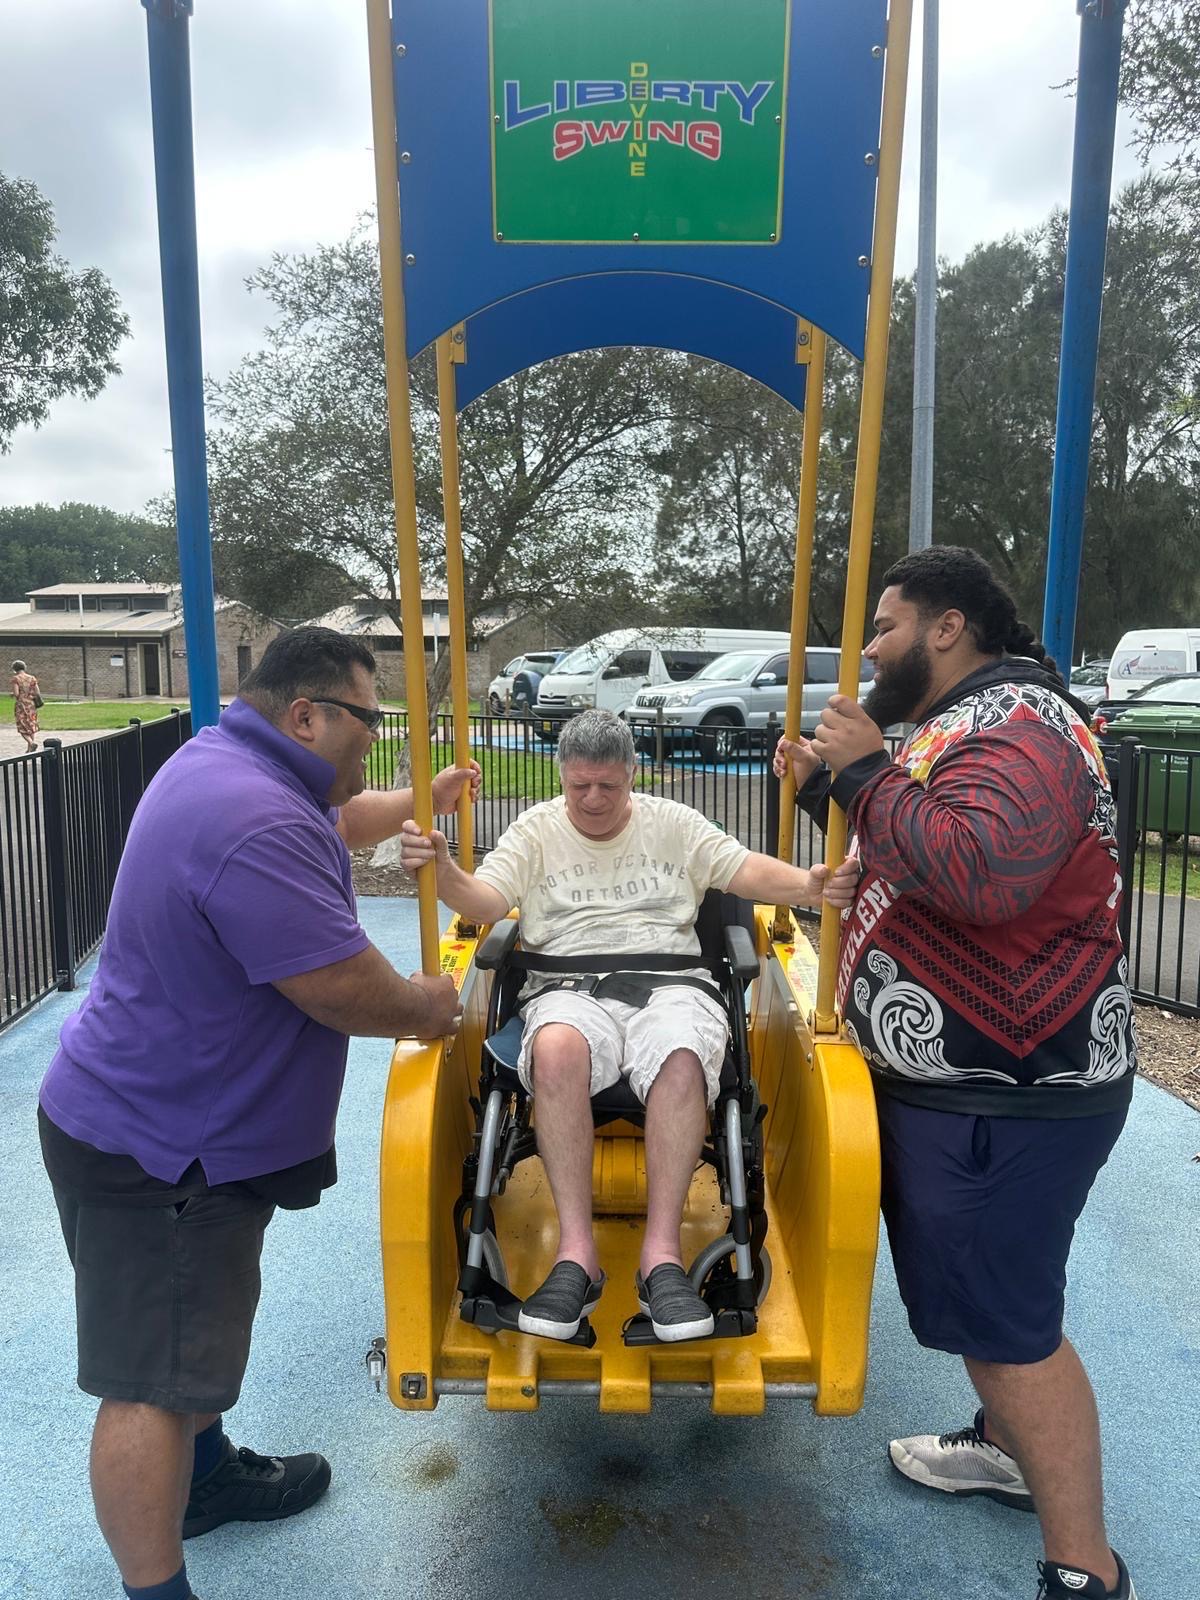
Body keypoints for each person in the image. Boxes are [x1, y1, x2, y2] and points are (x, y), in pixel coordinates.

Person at [38, 628, 478, 1600]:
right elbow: (340, 986)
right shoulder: (255, 817)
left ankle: (207, 1477)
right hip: (162, 1148)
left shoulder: (241, 760)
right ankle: (160, 1589)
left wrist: (423, 801)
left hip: (157, 1118)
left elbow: (342, 818)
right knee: (149, 1379)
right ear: (308, 715)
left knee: (191, 1327)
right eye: (369, 721)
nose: (377, 740)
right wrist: (428, 1004)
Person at [774, 547, 1138, 1600]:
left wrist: (863, 772)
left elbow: (984, 873)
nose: (869, 649)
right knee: (997, 1301)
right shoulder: (960, 725)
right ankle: (1004, 1444)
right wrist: (827, 795)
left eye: (884, 627)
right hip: (980, 1080)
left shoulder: (1019, 724)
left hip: (1010, 1086)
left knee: (1010, 1329)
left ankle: (1085, 1566)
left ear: (946, 628)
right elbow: (917, 856)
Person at [399, 708, 859, 1344]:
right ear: (562, 777)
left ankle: (661, 1258)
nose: (592, 800)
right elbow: (485, 901)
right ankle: (576, 1256)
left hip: (670, 983)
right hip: (565, 985)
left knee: (679, 1055)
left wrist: (809, 885)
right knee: (557, 1048)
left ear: (632, 776)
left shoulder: (672, 824)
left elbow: (743, 870)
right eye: (579, 785)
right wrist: (443, 869)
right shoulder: (534, 832)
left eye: (608, 787)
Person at [11, 658, 41, 751]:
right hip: (31, 705)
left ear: (15, 669)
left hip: (21, 705)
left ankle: (31, 743)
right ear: (24, 667)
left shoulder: (16, 679)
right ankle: (30, 749)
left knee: (22, 725)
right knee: (31, 725)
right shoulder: (32, 678)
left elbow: (16, 694)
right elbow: (37, 692)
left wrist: (13, 694)